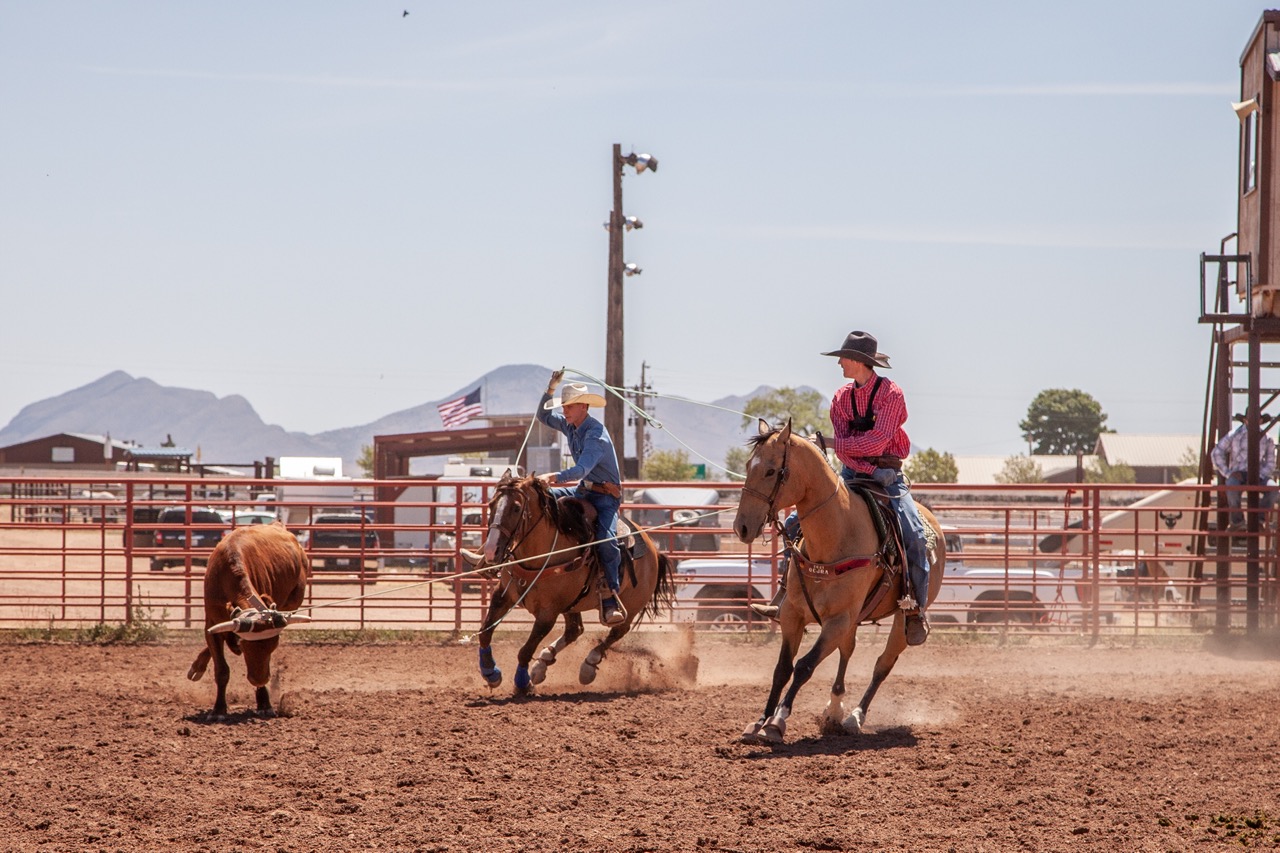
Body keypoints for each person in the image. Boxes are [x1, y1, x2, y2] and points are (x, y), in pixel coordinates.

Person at [750, 331, 932, 646]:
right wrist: (863, 464)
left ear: (859, 361)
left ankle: (915, 609)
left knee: (914, 533)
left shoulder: (891, 394)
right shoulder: (841, 398)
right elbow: (847, 452)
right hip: (856, 474)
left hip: (889, 476)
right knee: (795, 524)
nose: (839, 363)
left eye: (843, 357)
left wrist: (839, 446)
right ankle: (785, 594)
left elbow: (875, 441)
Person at [536, 370, 627, 626]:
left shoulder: (595, 435)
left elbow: (580, 470)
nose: (565, 410)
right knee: (537, 501)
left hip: (605, 497)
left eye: (570, 406)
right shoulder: (570, 425)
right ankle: (494, 555)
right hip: (583, 490)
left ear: (584, 407)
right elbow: (542, 415)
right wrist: (551, 387)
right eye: (564, 406)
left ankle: (611, 594)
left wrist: (553, 476)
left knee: (607, 540)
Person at [1210, 410, 1277, 531]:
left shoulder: (1267, 439)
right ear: (1245, 420)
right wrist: (1228, 473)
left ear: (1261, 421)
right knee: (1231, 486)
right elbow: (1216, 453)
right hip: (1238, 473)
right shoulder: (1234, 435)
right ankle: (1237, 521)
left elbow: (1271, 463)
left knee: (1274, 489)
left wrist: (1261, 475)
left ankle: (1259, 520)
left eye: (1257, 419)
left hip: (1258, 474)